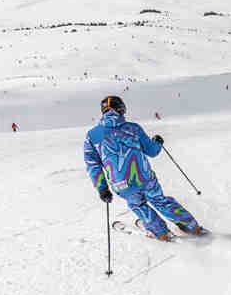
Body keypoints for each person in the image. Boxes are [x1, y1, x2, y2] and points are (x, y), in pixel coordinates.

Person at [83, 95, 205, 241]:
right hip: (145, 178)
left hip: (121, 184)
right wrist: (157, 143)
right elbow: (152, 151)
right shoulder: (133, 128)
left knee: (138, 205)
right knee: (160, 200)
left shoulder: (92, 136)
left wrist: (102, 188)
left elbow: (93, 165)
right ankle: (191, 226)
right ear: (121, 109)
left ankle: (160, 232)